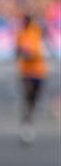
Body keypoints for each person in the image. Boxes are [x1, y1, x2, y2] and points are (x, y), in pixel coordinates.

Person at [16, 13, 48, 145]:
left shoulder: (37, 31)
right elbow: (17, 51)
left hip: (39, 71)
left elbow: (45, 38)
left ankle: (30, 118)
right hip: (27, 71)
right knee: (28, 96)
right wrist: (23, 54)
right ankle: (27, 123)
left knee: (35, 98)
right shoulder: (20, 34)